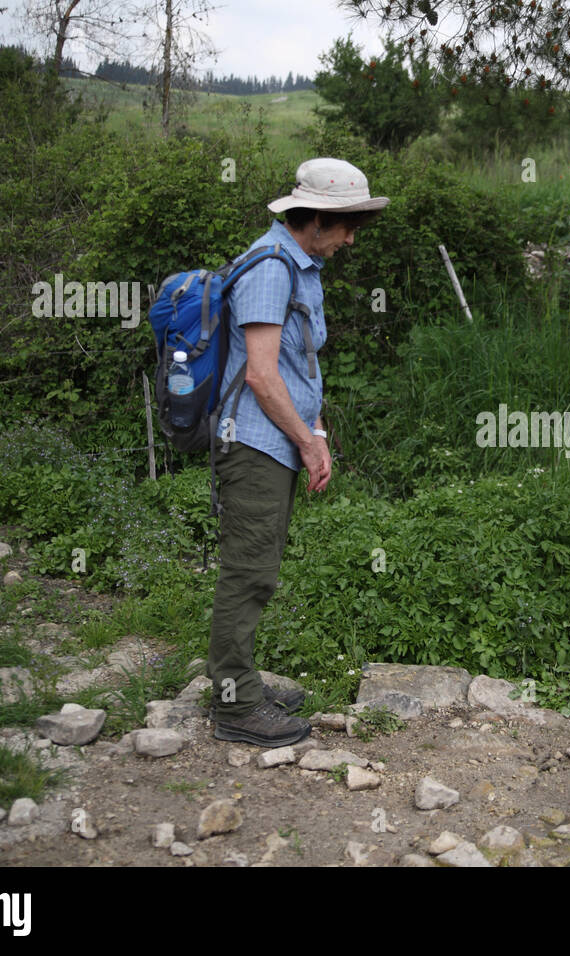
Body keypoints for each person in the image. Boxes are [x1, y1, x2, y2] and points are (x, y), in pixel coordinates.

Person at [208, 157, 388, 747]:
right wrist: (307, 442)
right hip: (255, 442)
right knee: (248, 571)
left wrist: (318, 435)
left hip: (279, 440)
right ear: (313, 218)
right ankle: (234, 705)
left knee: (261, 564)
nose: (351, 238)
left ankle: (243, 683)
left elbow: (298, 364)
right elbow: (262, 376)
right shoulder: (270, 268)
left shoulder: (300, 265)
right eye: (345, 224)